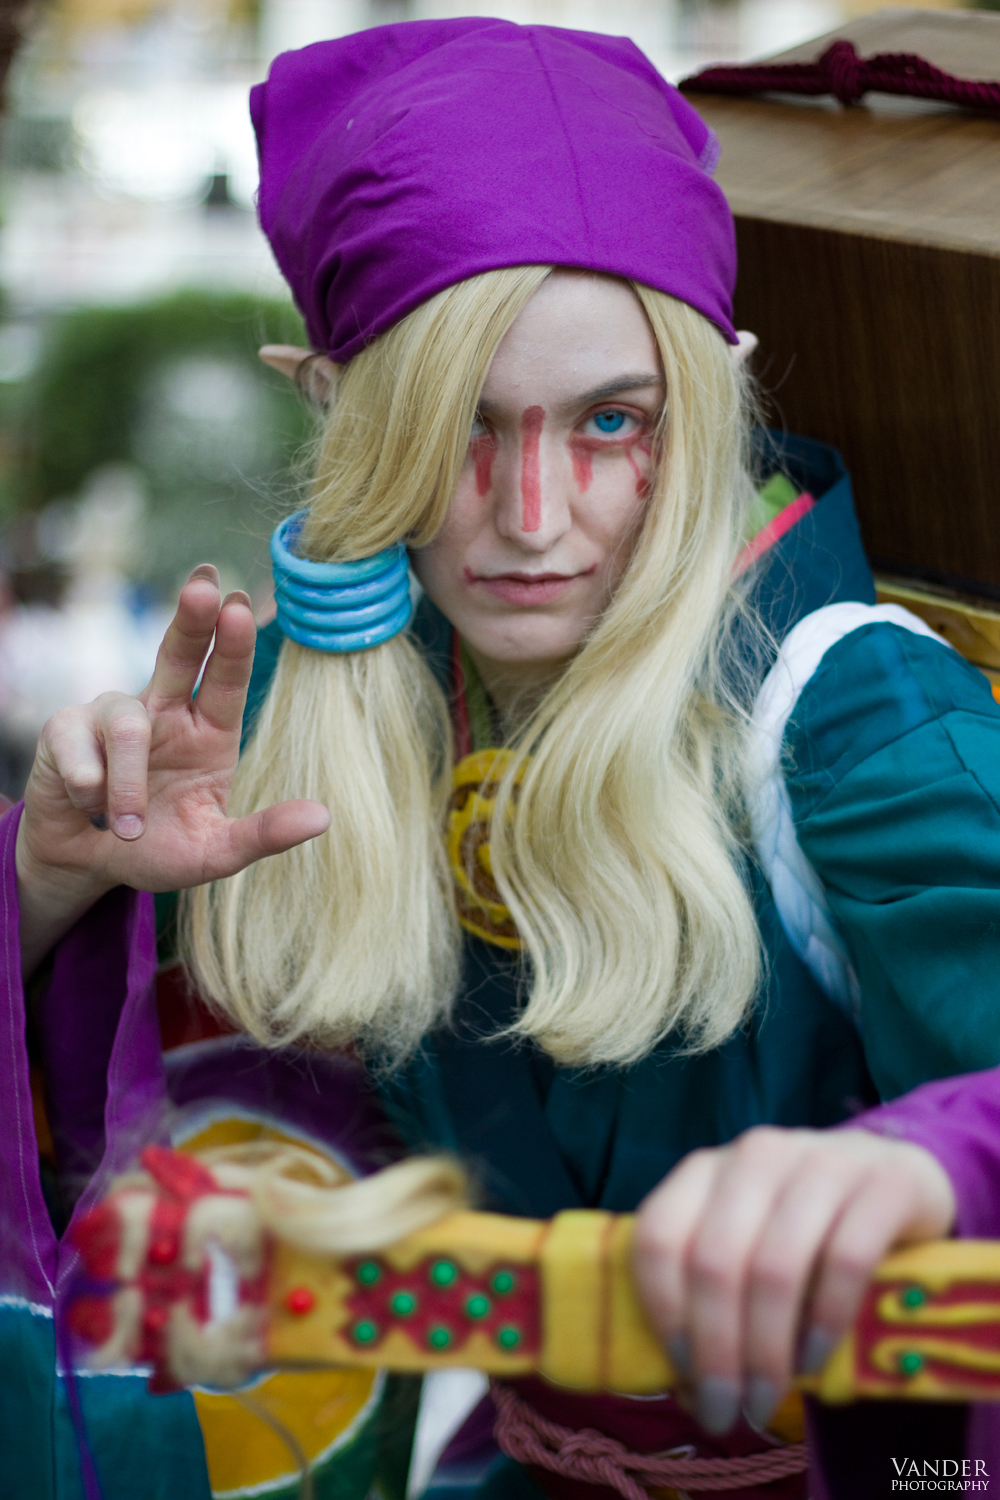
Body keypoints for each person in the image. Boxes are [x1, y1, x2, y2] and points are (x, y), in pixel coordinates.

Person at [9, 17, 1000, 1499]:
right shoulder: (336, 715)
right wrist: (51, 892)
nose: (534, 519)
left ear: (710, 398)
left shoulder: (855, 721)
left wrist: (928, 1166)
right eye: (462, 428)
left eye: (611, 421)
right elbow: (193, 1186)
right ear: (337, 409)